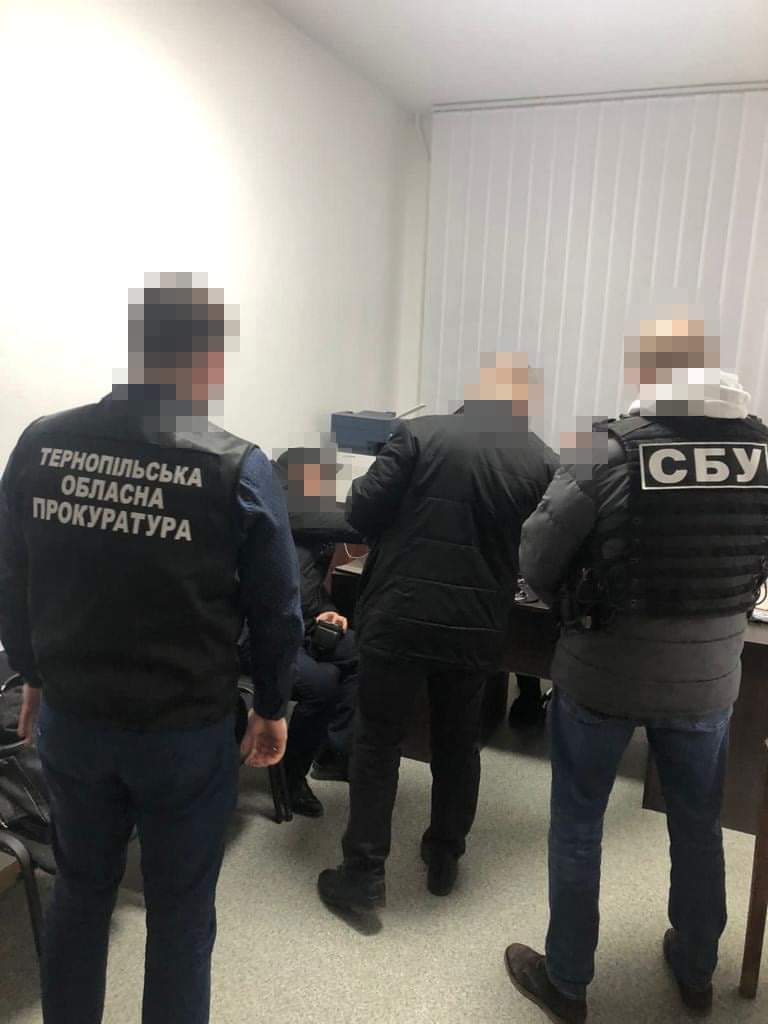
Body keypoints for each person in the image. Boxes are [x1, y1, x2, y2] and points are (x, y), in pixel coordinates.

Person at [0, 273, 303, 1024]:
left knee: (80, 894)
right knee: (180, 915)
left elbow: (11, 574)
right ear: (209, 361)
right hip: (182, 734)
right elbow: (277, 609)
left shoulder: (41, 443)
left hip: (74, 722)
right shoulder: (236, 466)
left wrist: (33, 671)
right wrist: (271, 705)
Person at [504, 317, 768, 1024]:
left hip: (602, 671)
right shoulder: (763, 450)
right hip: (709, 679)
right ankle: (697, 971)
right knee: (699, 826)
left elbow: (535, 557)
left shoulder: (604, 446)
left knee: (578, 826)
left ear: (651, 375)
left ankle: (567, 982)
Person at [318, 353, 559, 910]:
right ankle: (445, 855)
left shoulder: (418, 434)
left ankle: (363, 873)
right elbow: (541, 548)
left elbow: (361, 514)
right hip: (475, 625)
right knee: (457, 743)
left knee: (378, 741)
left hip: (398, 616)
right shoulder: (542, 460)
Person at [239, 446, 362, 816]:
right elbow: (341, 520)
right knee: (322, 684)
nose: (327, 489)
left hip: (302, 622)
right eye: (322, 480)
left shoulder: (309, 523)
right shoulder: (274, 502)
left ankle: (333, 751)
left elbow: (309, 584)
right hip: (257, 633)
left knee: (362, 653)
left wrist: (328, 612)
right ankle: (291, 780)